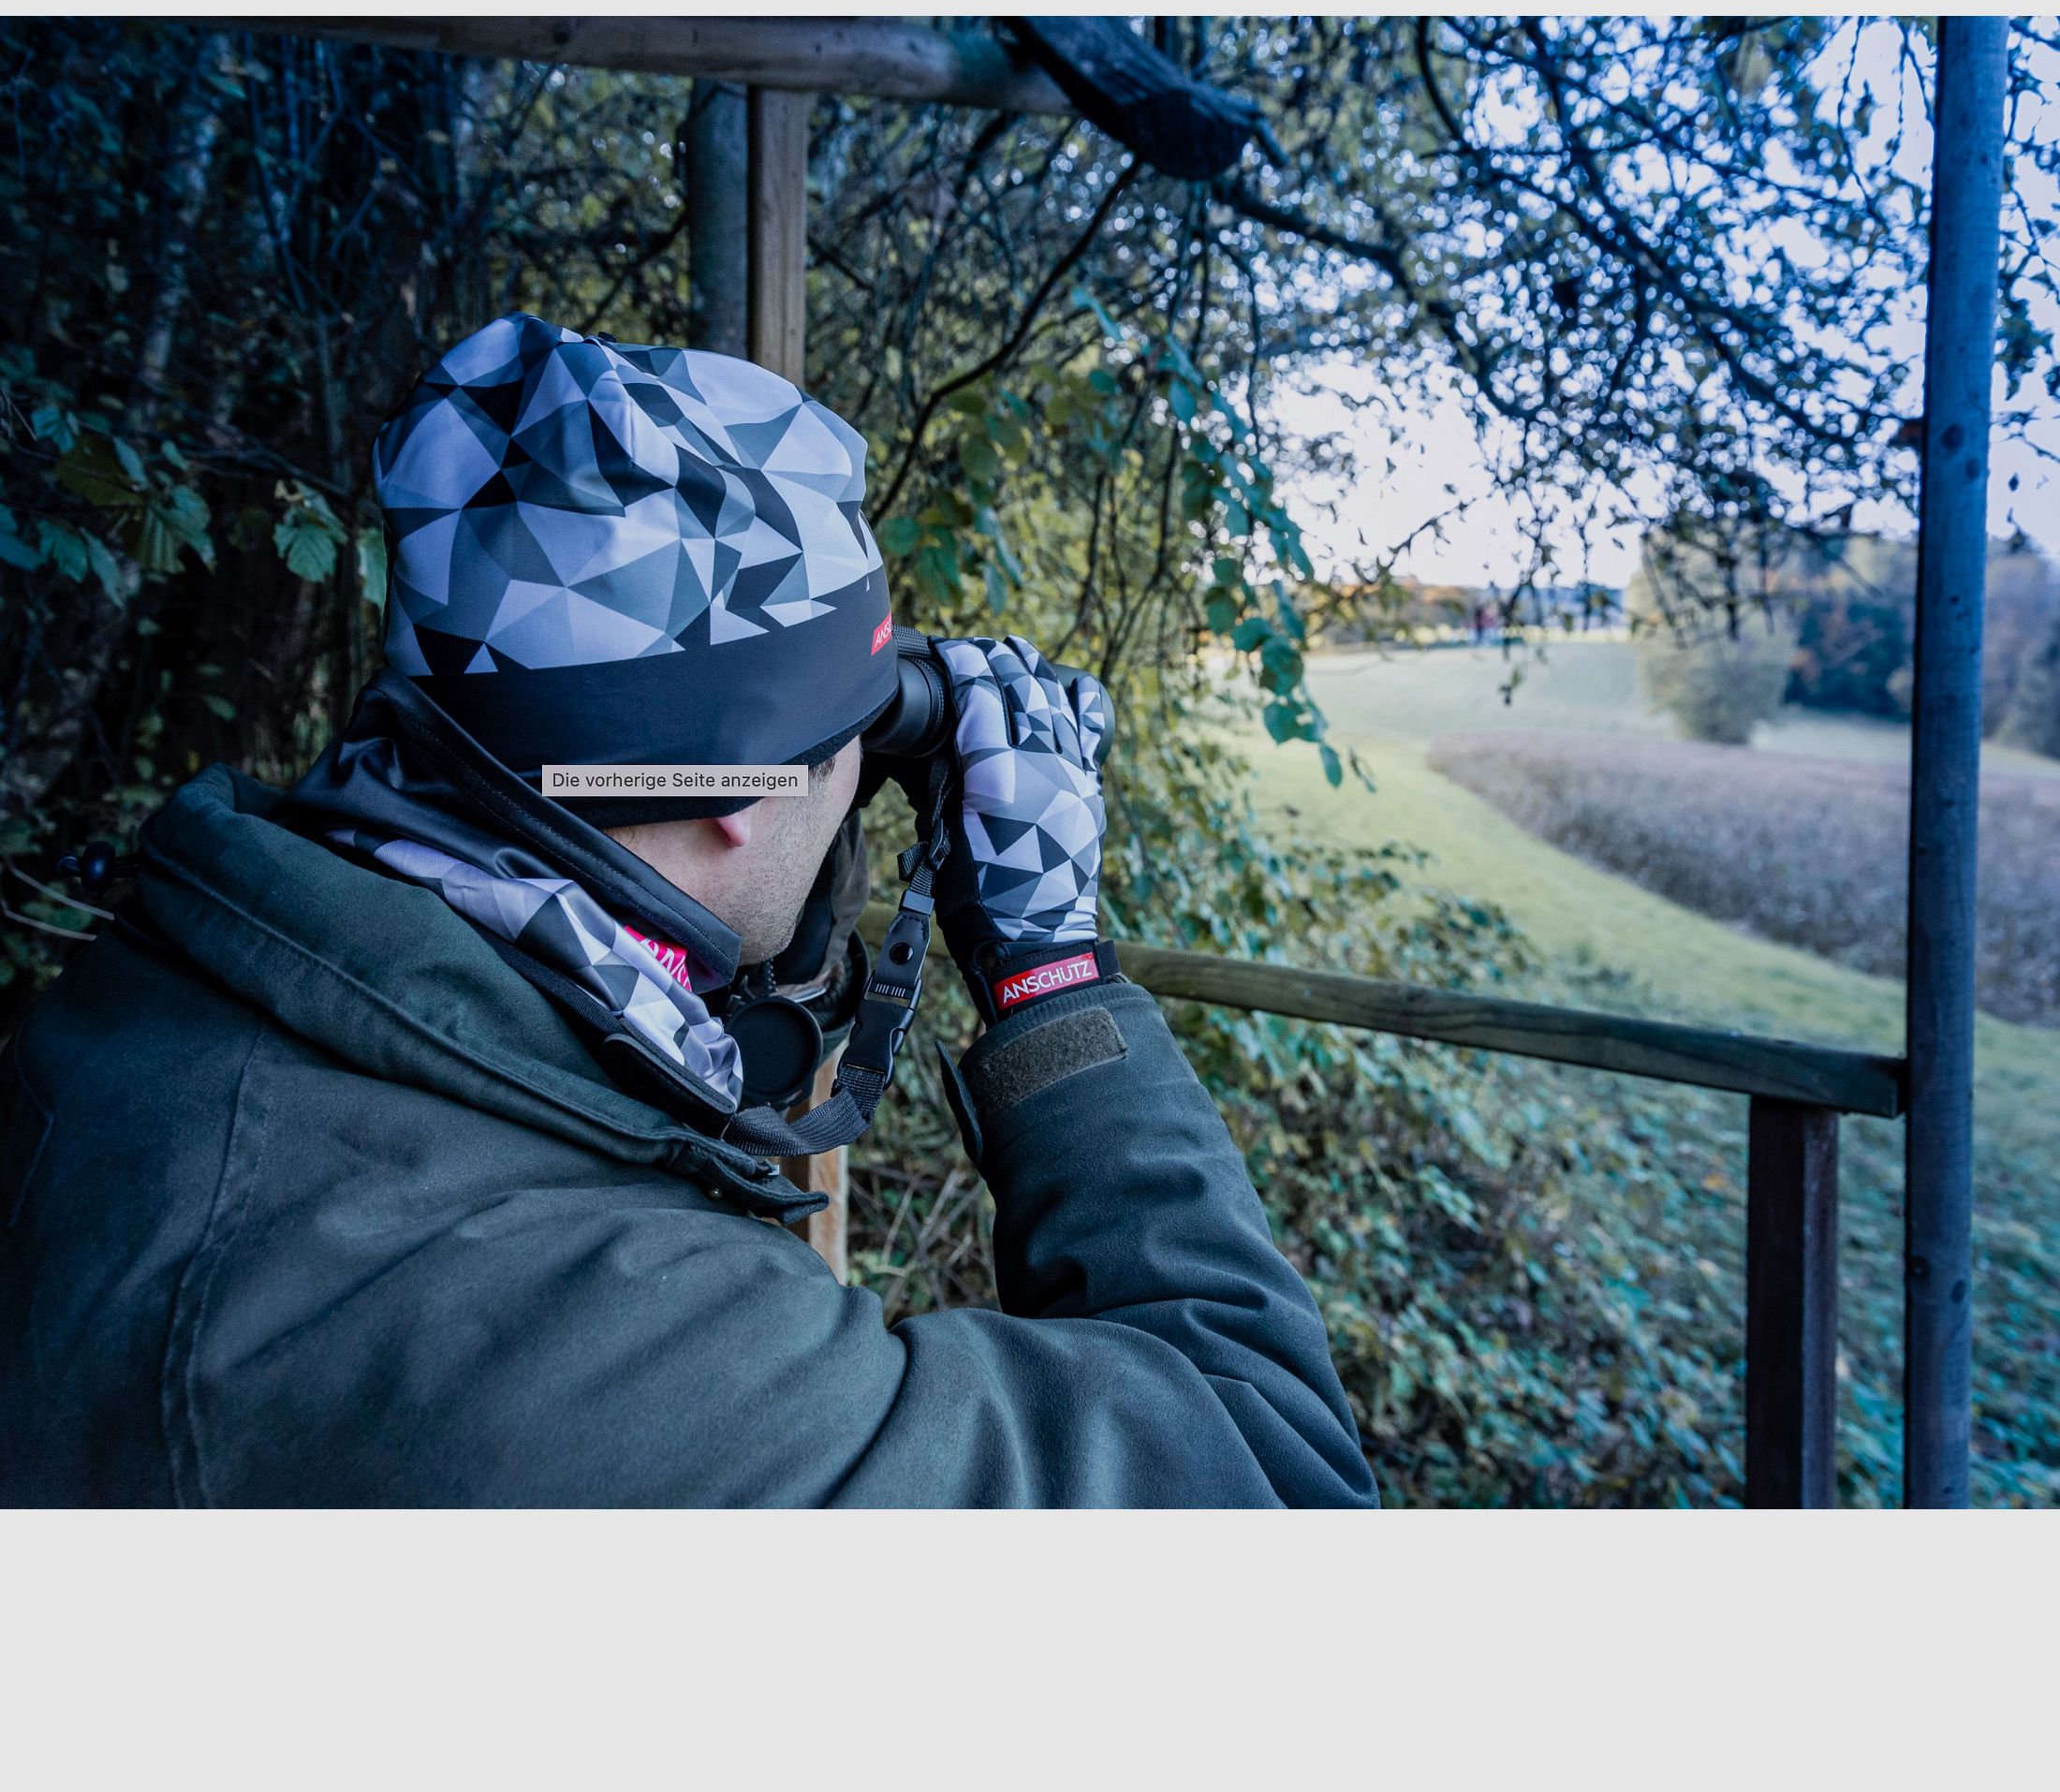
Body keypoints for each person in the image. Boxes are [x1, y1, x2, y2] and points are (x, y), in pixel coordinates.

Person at [0, 315, 1377, 1508]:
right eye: (852, 742)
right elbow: (1274, 1478)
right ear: (733, 789)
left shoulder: (184, 995)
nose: (860, 779)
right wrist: (1048, 970)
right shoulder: (622, 1347)